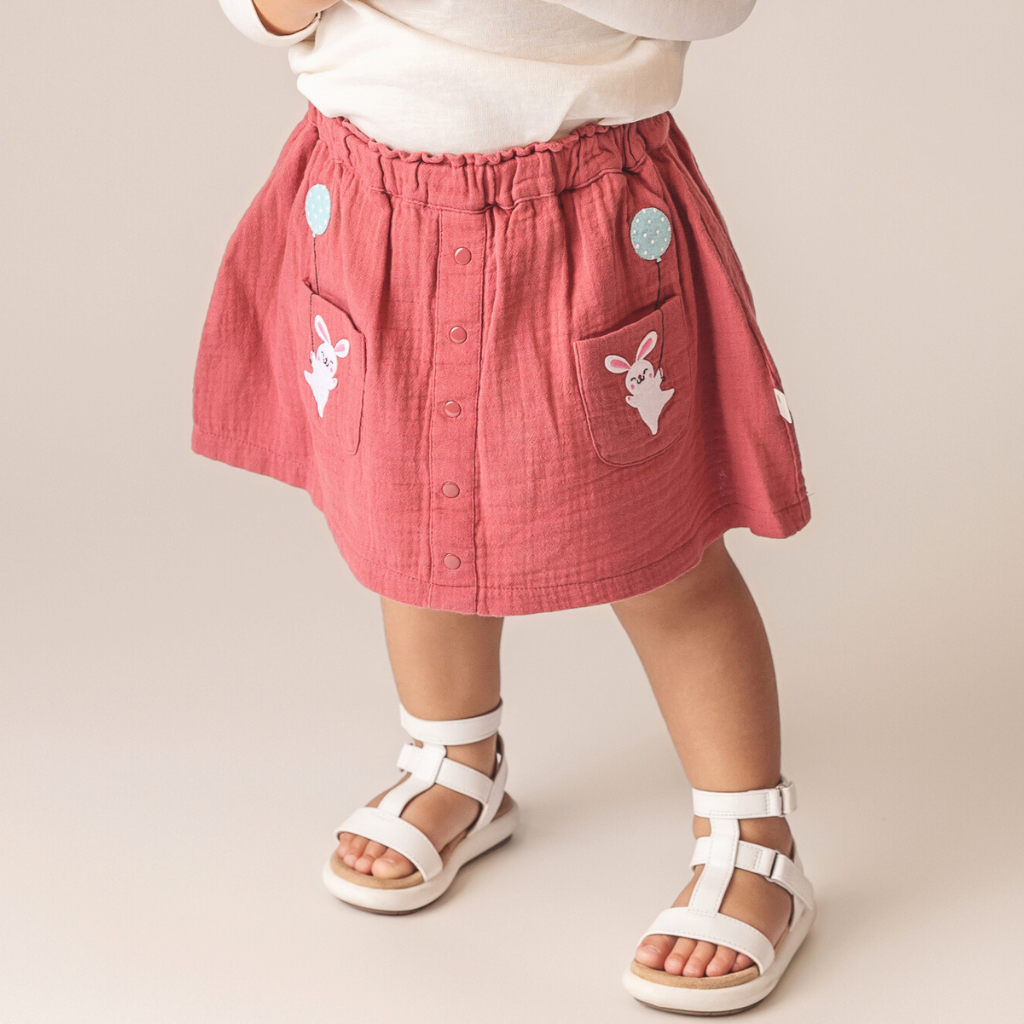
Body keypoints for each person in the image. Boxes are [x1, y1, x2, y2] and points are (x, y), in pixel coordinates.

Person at [193, 0, 816, 1014]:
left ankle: (754, 839)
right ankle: (454, 759)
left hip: (578, 221)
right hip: (366, 208)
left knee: (662, 550)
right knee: (408, 517)